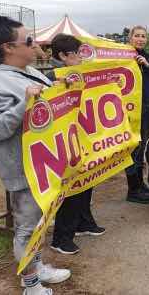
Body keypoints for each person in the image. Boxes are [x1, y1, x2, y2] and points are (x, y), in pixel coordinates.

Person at [0, 14, 70, 294]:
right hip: (25, 170)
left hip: (46, 165)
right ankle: (30, 285)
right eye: (29, 41)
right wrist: (24, 105)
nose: (35, 45)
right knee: (27, 229)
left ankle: (37, 267)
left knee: (39, 224)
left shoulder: (29, 72)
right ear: (8, 47)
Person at [44, 34, 106, 256]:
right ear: (62, 55)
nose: (81, 57)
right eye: (77, 54)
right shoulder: (52, 76)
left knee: (87, 181)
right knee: (72, 189)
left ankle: (83, 223)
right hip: (67, 142)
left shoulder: (78, 73)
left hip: (84, 137)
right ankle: (61, 238)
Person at [126, 25, 149, 204]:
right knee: (134, 149)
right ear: (130, 38)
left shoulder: (147, 57)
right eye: (137, 36)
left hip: (147, 108)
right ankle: (133, 189)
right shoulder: (122, 56)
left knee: (142, 148)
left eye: (143, 36)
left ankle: (140, 185)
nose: (140, 39)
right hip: (131, 110)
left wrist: (147, 66)